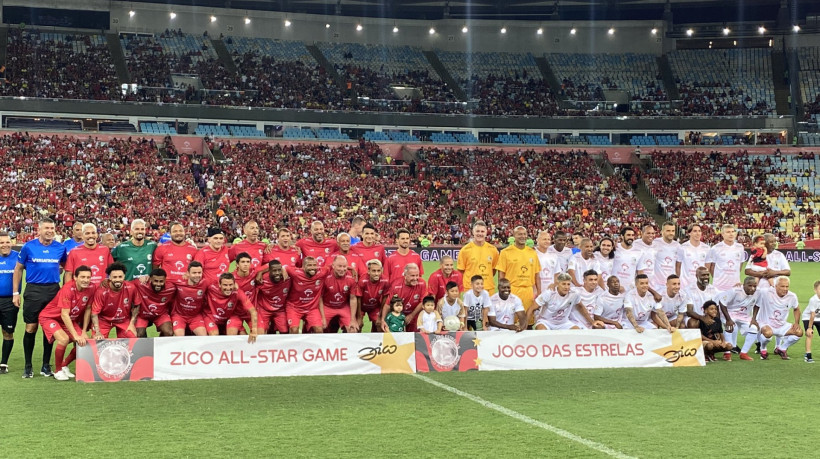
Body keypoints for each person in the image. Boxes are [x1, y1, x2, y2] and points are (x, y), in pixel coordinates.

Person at [13, 217, 67, 378]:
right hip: (33, 290)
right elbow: (18, 269)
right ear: (39, 230)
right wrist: (16, 293)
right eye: (47, 228)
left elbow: (66, 267)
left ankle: (45, 365)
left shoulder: (60, 248)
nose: (50, 231)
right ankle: (28, 366)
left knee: (50, 328)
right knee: (31, 327)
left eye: (52, 228)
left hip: (53, 291)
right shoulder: (28, 247)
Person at [37, 266, 96, 381]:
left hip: (68, 319)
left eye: (88, 277)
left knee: (85, 341)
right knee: (64, 339)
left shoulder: (92, 287)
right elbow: (64, 314)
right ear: (75, 277)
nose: (86, 280)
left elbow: (88, 309)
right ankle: (58, 371)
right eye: (82, 277)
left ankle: (64, 365)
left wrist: (83, 331)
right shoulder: (67, 289)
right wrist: (75, 335)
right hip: (50, 317)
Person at [750, 276, 803, 360]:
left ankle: (782, 349)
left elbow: (796, 309)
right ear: (775, 286)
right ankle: (763, 349)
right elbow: (754, 293)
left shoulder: (792, 296)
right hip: (766, 323)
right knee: (768, 333)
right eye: (782, 286)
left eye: (787, 286)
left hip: (781, 325)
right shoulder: (766, 292)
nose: (785, 289)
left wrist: (796, 323)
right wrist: (754, 319)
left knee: (799, 332)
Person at [497, 226, 541, 311]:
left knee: (528, 317)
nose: (523, 236)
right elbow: (501, 274)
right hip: (512, 290)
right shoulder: (505, 252)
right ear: (514, 236)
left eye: (524, 234)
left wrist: (539, 292)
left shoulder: (532, 253)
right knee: (511, 317)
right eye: (520, 234)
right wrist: (502, 291)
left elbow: (537, 275)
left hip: (528, 291)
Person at [203, 273, 257, 342]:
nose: (228, 288)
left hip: (227, 318)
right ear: (219, 284)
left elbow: (253, 311)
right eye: (225, 285)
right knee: (214, 335)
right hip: (211, 317)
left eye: (230, 285)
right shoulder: (211, 287)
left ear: (234, 284)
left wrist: (254, 330)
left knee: (238, 335)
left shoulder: (238, 292)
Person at [528, 273, 593, 330]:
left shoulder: (574, 294)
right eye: (563, 284)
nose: (566, 287)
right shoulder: (549, 293)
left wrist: (592, 322)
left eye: (568, 284)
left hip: (563, 323)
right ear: (558, 284)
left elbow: (581, 307)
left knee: (577, 332)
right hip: (546, 322)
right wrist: (524, 327)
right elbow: (531, 308)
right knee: (542, 330)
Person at [284, 257, 332, 334]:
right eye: (309, 265)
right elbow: (284, 267)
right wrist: (284, 272)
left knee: (319, 330)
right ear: (303, 267)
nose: (312, 268)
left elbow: (334, 265)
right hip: (294, 308)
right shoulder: (295, 273)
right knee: (294, 330)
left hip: (311, 308)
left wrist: (351, 269)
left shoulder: (322, 272)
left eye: (314, 265)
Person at [91, 263, 139, 339]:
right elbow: (94, 313)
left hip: (123, 320)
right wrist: (97, 331)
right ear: (109, 277)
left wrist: (132, 323)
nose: (117, 280)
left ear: (124, 276)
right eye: (114, 277)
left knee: (132, 338)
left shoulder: (131, 287)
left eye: (120, 277)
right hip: (104, 320)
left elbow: (137, 305)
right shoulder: (101, 291)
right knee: (97, 341)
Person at [715, 277, 759, 361]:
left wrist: (754, 319)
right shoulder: (735, 291)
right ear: (744, 285)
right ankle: (727, 353)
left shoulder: (758, 292)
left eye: (754, 286)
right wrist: (728, 320)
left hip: (743, 315)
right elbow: (722, 303)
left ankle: (744, 353)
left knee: (754, 328)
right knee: (730, 327)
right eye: (750, 286)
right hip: (729, 313)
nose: (752, 288)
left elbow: (757, 305)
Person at [382, 263, 427, 332]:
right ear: (405, 276)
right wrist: (383, 320)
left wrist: (411, 315)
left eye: (417, 275)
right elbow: (388, 304)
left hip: (414, 314)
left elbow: (423, 301)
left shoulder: (422, 283)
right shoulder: (396, 285)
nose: (415, 278)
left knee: (414, 335)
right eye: (412, 276)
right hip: (398, 314)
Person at [457, 221, 499, 295]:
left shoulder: (493, 250)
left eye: (482, 231)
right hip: (470, 289)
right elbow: (461, 271)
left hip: (488, 288)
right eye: (477, 231)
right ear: (473, 232)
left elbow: (493, 270)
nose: (480, 234)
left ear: (486, 233)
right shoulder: (465, 250)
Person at [321, 255, 360, 333]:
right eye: (339, 266)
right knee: (319, 327)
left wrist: (353, 319)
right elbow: (320, 298)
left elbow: (353, 298)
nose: (342, 269)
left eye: (344, 266)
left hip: (343, 307)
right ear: (333, 266)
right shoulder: (325, 276)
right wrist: (322, 317)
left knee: (353, 329)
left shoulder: (351, 278)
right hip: (327, 306)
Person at [132, 268, 176, 338]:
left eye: (161, 281)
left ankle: (160, 344)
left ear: (165, 280)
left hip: (160, 315)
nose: (158, 284)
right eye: (155, 281)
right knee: (139, 334)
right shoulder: (141, 284)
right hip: (143, 315)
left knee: (168, 332)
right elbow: (126, 284)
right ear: (150, 279)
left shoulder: (172, 288)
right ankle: (145, 345)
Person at [705, 224, 747, 295]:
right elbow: (710, 267)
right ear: (722, 234)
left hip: (735, 286)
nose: (731, 234)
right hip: (719, 288)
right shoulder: (715, 248)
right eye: (728, 232)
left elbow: (740, 265)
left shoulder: (740, 247)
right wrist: (718, 278)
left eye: (733, 231)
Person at [0, 231, 21, 374]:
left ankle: (3, 363)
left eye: (7, 242)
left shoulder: (18, 257)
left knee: (7, 332)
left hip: (10, 301)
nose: (5, 245)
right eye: (1, 243)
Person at [170, 261, 208, 336]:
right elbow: (163, 279)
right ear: (187, 273)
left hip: (195, 316)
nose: (197, 275)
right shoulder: (178, 281)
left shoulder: (205, 283)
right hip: (179, 316)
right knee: (179, 337)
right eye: (194, 273)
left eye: (199, 273)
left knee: (203, 337)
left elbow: (221, 283)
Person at [254, 260, 292, 335]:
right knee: (261, 333)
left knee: (285, 332)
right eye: (274, 271)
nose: (277, 273)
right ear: (269, 271)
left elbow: (297, 270)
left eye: (279, 270)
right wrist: (260, 272)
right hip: (264, 309)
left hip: (280, 309)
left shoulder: (287, 277)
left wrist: (284, 269)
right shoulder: (262, 280)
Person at [356, 259, 389, 332]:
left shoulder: (385, 280)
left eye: (378, 271)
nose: (376, 273)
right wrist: (359, 317)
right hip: (361, 306)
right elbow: (358, 298)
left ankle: (375, 338)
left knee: (380, 325)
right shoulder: (362, 280)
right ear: (368, 271)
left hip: (375, 306)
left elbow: (385, 298)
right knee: (357, 326)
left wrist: (380, 316)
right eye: (374, 271)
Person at [648, 222, 680, 292]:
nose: (671, 233)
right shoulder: (654, 243)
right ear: (662, 232)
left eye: (673, 231)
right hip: (656, 284)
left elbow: (678, 266)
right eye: (668, 231)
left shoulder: (678, 246)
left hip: (671, 285)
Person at [675, 223, 710, 289]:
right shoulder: (682, 248)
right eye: (695, 231)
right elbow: (678, 267)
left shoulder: (707, 248)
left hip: (700, 284)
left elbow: (707, 268)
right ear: (689, 233)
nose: (698, 233)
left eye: (699, 231)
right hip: (685, 285)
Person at [611, 227, 642, 291]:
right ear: (622, 236)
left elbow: (640, 272)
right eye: (628, 235)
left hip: (630, 289)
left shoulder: (638, 252)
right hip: (614, 287)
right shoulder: (614, 248)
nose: (631, 237)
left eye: (632, 235)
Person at [801, 280, 820, 362]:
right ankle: (808, 355)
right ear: (815, 290)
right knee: (810, 334)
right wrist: (809, 328)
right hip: (808, 317)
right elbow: (812, 314)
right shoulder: (813, 299)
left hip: (818, 317)